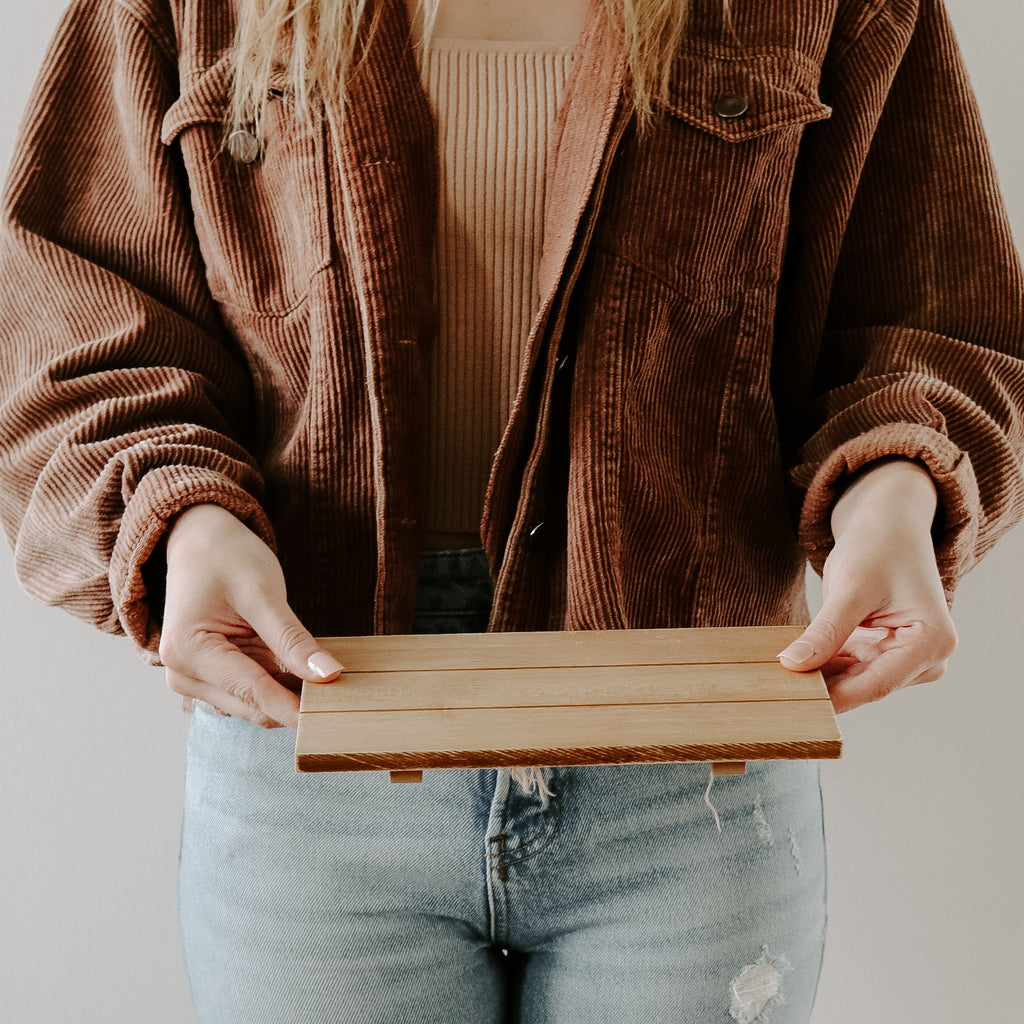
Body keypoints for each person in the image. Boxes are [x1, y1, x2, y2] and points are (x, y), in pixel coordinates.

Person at [1, 0, 1021, 1021]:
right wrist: (185, 524)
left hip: (689, 759)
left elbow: (928, 312)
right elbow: (69, 322)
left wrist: (893, 499)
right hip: (308, 736)